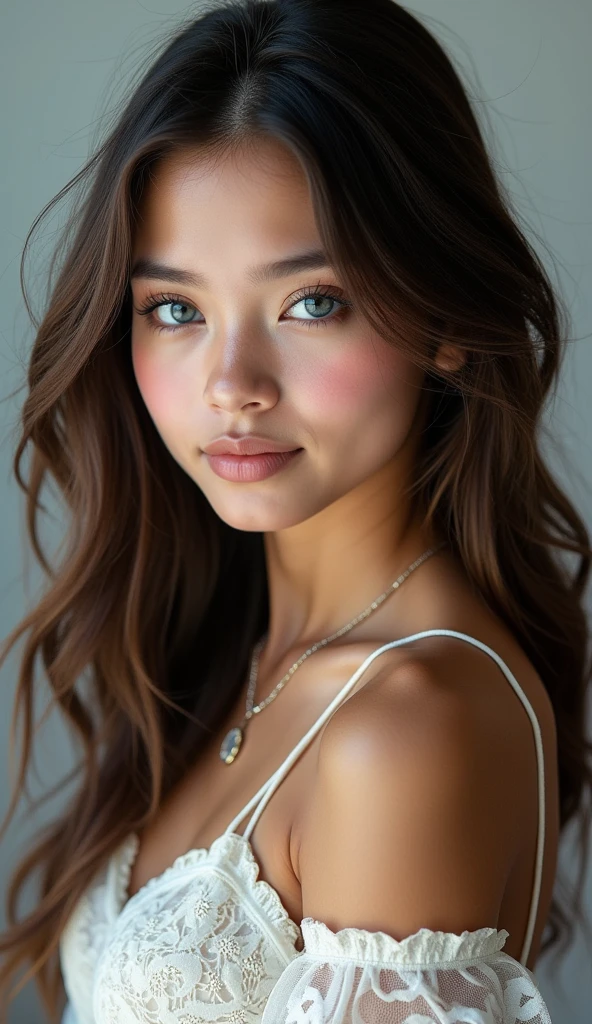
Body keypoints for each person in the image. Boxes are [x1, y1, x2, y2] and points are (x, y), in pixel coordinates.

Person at [0, 0, 590, 1021]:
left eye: (311, 301)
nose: (232, 384)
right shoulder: (237, 652)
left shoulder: (405, 723)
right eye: (174, 309)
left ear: (443, 319)